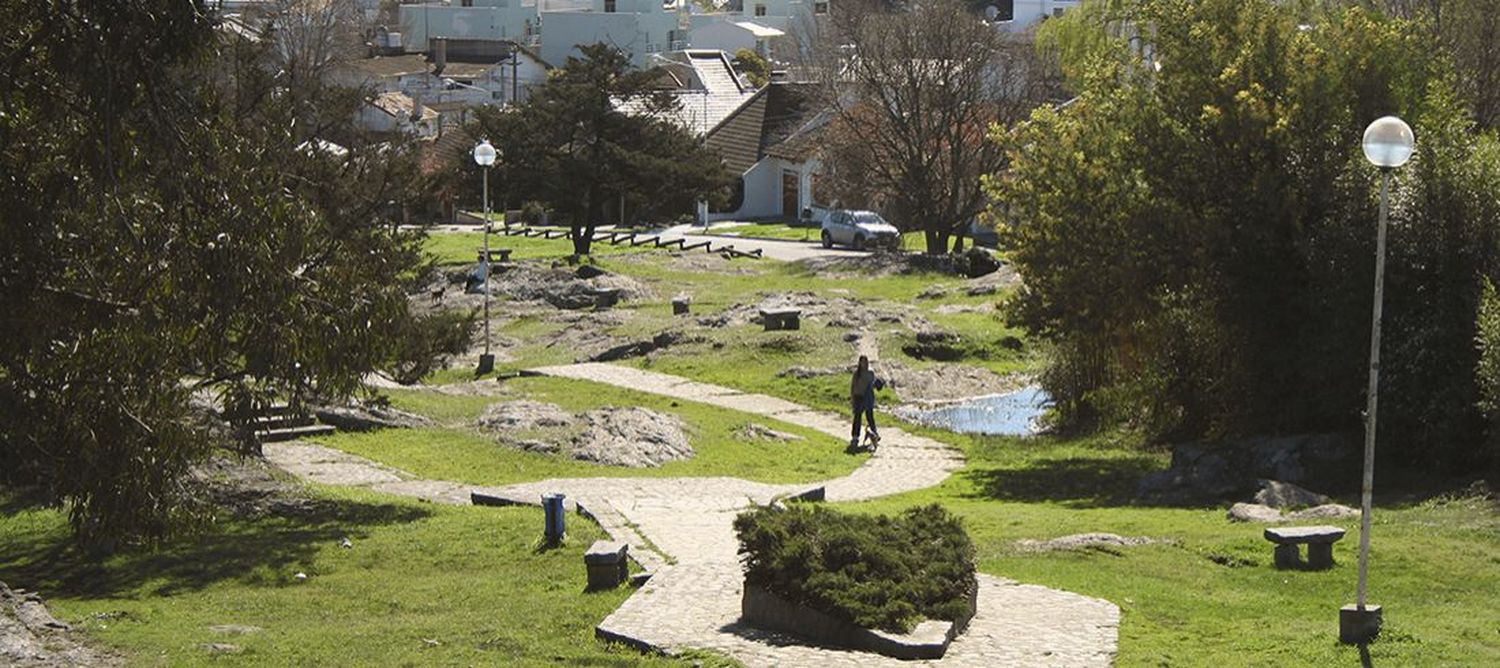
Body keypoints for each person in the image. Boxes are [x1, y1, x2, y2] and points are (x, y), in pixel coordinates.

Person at [850, 355, 882, 449]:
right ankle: (855, 437)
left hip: (867, 398)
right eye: (862, 362)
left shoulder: (870, 373)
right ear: (859, 363)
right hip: (858, 397)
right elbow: (853, 386)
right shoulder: (857, 374)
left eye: (865, 361)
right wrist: (852, 398)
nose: (863, 363)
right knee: (857, 418)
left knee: (870, 417)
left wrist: (877, 384)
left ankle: (874, 433)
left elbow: (873, 384)